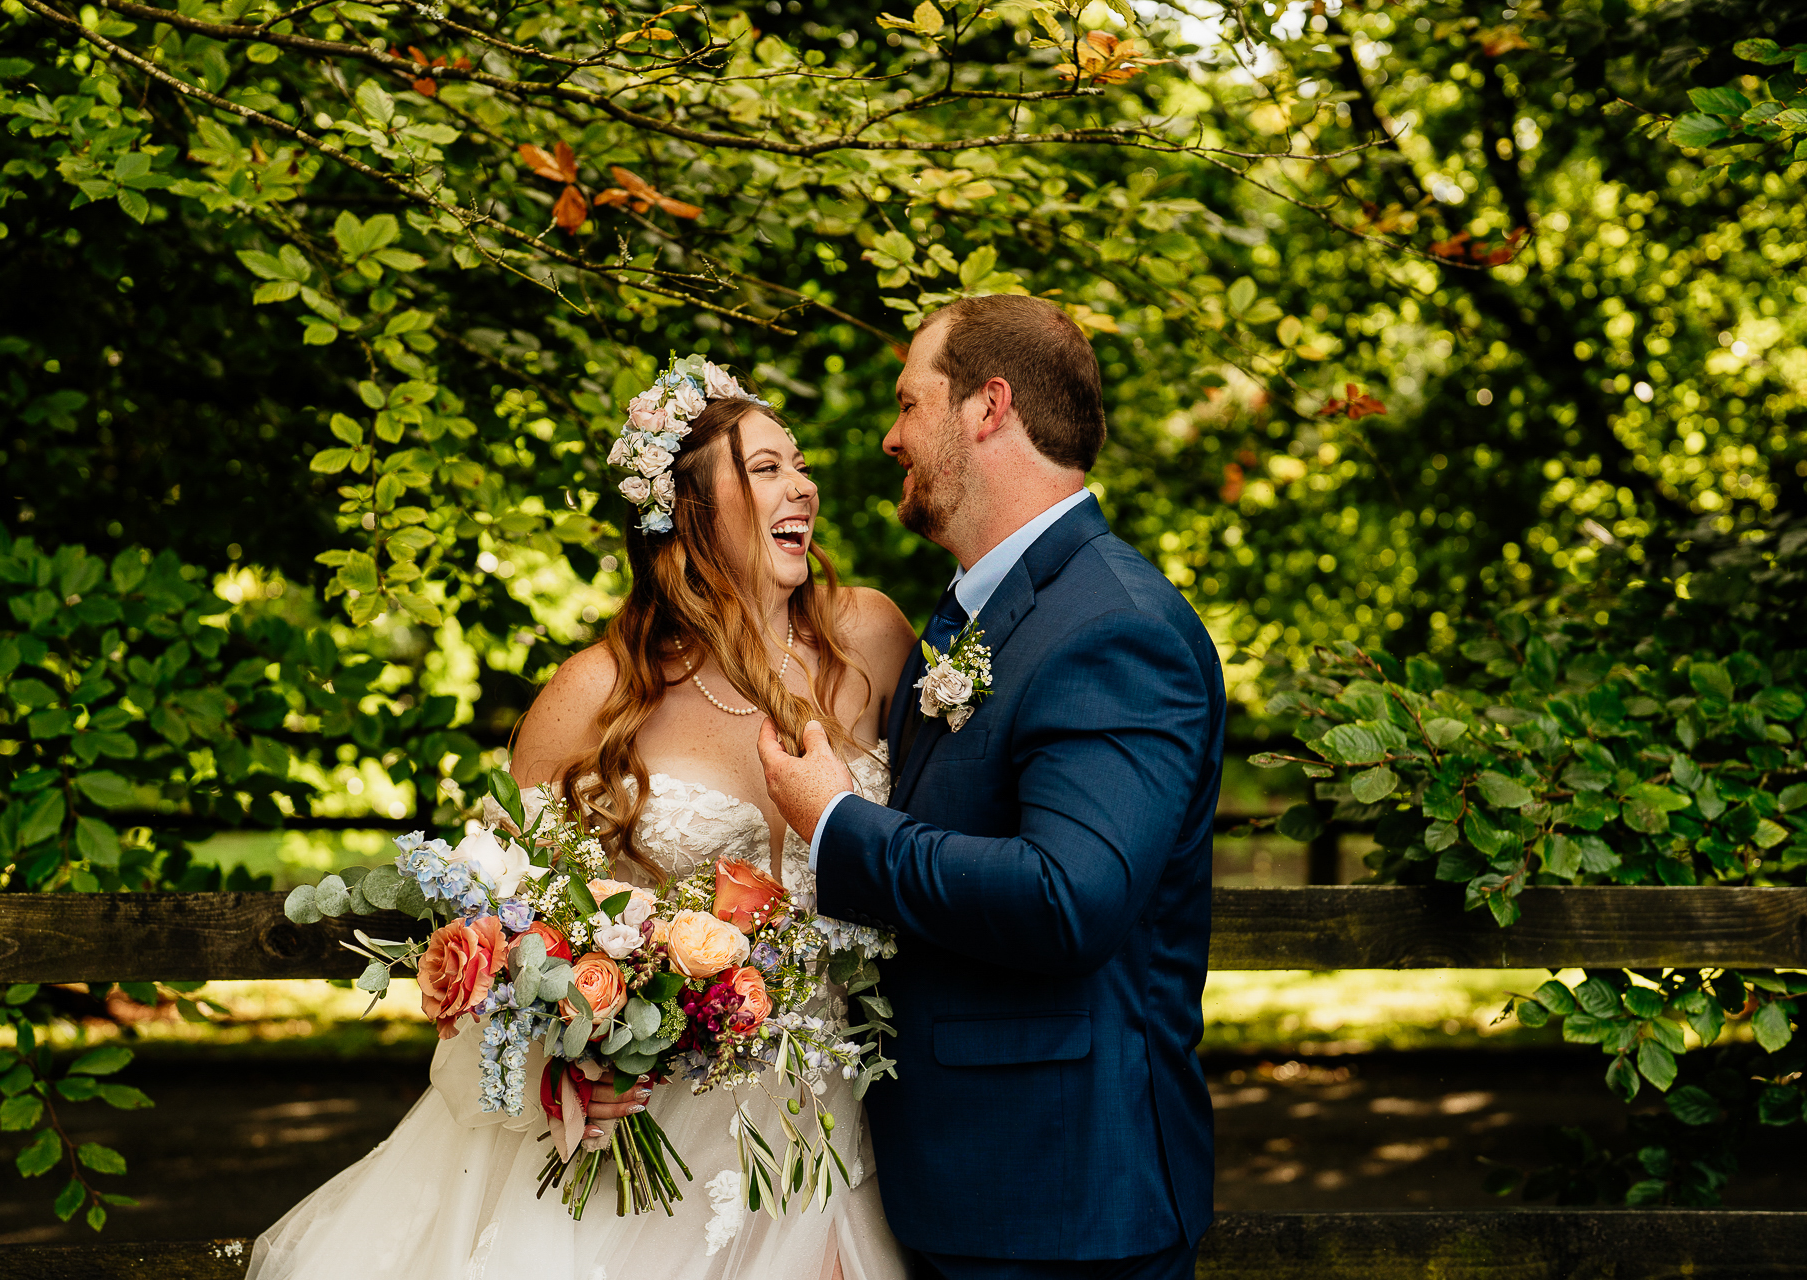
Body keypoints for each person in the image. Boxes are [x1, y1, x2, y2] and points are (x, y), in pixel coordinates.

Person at [247, 360, 919, 1280]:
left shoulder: (874, 641)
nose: (802, 484)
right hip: (652, 1141)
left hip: (841, 1122)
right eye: (765, 468)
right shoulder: (596, 695)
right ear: (688, 508)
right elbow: (502, 921)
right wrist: (559, 1066)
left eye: (797, 464)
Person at [760, 295, 1225, 1280]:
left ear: (988, 405)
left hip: (1060, 1201)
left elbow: (1068, 896)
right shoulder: (986, 613)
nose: (890, 437)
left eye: (907, 402)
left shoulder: (1116, 625)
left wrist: (839, 824)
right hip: (963, 1181)